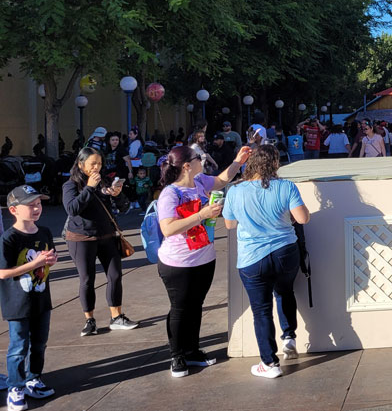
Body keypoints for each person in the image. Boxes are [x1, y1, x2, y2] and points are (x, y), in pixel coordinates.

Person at [156, 143, 250, 378]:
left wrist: (238, 161)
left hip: (204, 257)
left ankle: (192, 350)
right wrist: (202, 214)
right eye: (199, 158)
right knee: (180, 307)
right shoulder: (170, 193)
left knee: (196, 305)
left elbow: (220, 181)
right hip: (178, 262)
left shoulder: (199, 182)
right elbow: (167, 229)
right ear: (187, 165)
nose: (203, 161)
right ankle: (176, 355)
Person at [223, 145, 310, 379]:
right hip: (285, 252)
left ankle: (270, 364)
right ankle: (289, 338)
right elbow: (303, 218)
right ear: (275, 164)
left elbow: (230, 225)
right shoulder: (286, 187)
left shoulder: (235, 191)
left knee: (261, 311)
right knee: (285, 292)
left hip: (252, 258)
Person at [62, 148, 139, 336]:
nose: (97, 167)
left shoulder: (103, 182)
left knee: (115, 276)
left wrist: (117, 194)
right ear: (81, 165)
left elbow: (123, 207)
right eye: (92, 164)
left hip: (107, 235)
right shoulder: (71, 185)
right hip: (81, 238)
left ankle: (116, 317)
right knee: (87, 279)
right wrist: (89, 187)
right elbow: (72, 209)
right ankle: (89, 320)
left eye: (99, 163)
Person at [2, 186, 58, 411]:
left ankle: (33, 378)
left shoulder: (43, 231)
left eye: (39, 204)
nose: (37, 208)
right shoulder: (9, 238)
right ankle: (15, 386)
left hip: (41, 298)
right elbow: (3, 272)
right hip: (17, 303)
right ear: (14, 209)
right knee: (18, 346)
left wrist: (50, 260)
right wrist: (33, 264)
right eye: (31, 205)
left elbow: (49, 255)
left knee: (39, 343)